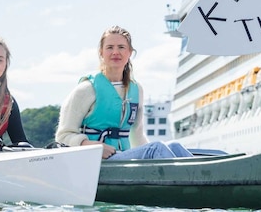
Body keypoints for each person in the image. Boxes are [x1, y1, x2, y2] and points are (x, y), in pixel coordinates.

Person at [56, 25, 191, 160]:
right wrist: (93, 146)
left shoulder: (136, 89)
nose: (115, 52)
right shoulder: (86, 89)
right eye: (110, 47)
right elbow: (63, 136)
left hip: (123, 156)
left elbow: (137, 135)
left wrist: (153, 156)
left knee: (175, 146)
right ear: (101, 52)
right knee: (156, 148)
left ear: (130, 52)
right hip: (95, 160)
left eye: (121, 47)